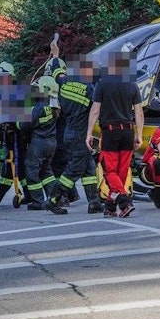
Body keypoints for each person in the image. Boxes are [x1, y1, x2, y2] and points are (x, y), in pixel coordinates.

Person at [86, 50, 144, 218]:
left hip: (110, 133)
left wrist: (89, 133)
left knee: (109, 171)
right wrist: (139, 134)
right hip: (127, 131)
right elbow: (139, 113)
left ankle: (124, 202)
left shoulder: (103, 84)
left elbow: (95, 110)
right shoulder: (132, 85)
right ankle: (111, 207)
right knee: (121, 172)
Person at [54, 56, 103, 214]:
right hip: (80, 134)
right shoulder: (89, 89)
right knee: (74, 169)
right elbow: (96, 111)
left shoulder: (64, 83)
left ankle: (94, 201)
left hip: (69, 132)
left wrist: (55, 54)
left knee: (89, 168)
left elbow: (57, 71)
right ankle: (53, 199)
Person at [0, 61, 30, 206]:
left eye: (6, 77)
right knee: (12, 163)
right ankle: (0, 195)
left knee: (18, 164)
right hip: (0, 133)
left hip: (18, 135)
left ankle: (28, 195)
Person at [26, 77, 60, 212]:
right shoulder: (53, 107)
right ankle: (54, 198)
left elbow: (24, 125)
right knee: (46, 171)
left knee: (31, 170)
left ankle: (37, 201)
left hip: (39, 143)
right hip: (51, 142)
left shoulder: (39, 108)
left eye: (36, 89)